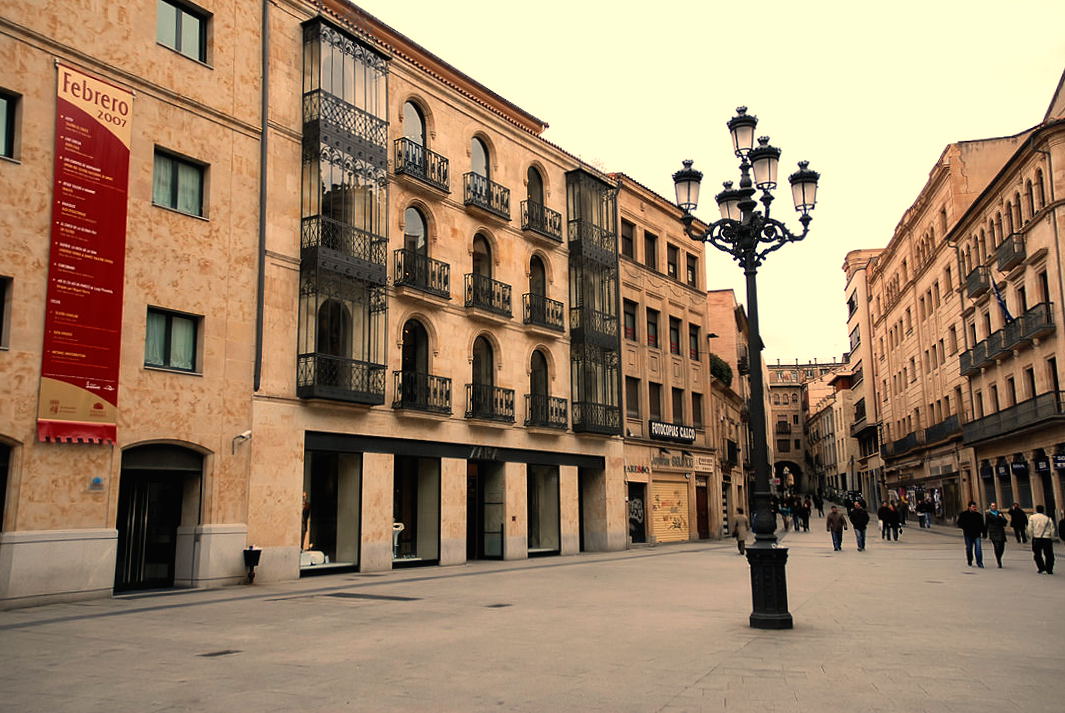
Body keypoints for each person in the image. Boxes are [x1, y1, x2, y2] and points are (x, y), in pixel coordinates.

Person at [1026, 504, 1055, 574]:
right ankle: (1049, 569)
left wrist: (1031, 536)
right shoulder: (1048, 518)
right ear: (1043, 510)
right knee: (1049, 554)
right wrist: (1051, 537)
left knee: (1037, 554)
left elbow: (1030, 528)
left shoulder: (1032, 517)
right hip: (1047, 538)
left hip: (1037, 538)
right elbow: (1052, 529)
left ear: (1036, 510)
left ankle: (1041, 568)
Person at [956, 501, 987, 568]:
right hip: (968, 534)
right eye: (973, 507)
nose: (974, 508)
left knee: (978, 548)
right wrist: (964, 527)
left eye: (975, 507)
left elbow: (982, 525)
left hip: (977, 534)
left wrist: (984, 533)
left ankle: (979, 562)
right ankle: (970, 560)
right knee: (969, 548)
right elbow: (959, 523)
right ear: (969, 507)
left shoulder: (978, 515)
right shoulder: (964, 515)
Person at [985, 502, 1008, 568]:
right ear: (990, 507)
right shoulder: (988, 514)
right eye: (992, 506)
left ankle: (999, 556)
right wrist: (985, 533)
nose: (994, 507)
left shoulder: (1000, 513)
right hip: (993, 532)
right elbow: (987, 523)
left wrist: (1001, 518)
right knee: (996, 546)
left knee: (1002, 546)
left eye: (995, 506)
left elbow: (1005, 522)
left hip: (1000, 531)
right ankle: (999, 560)